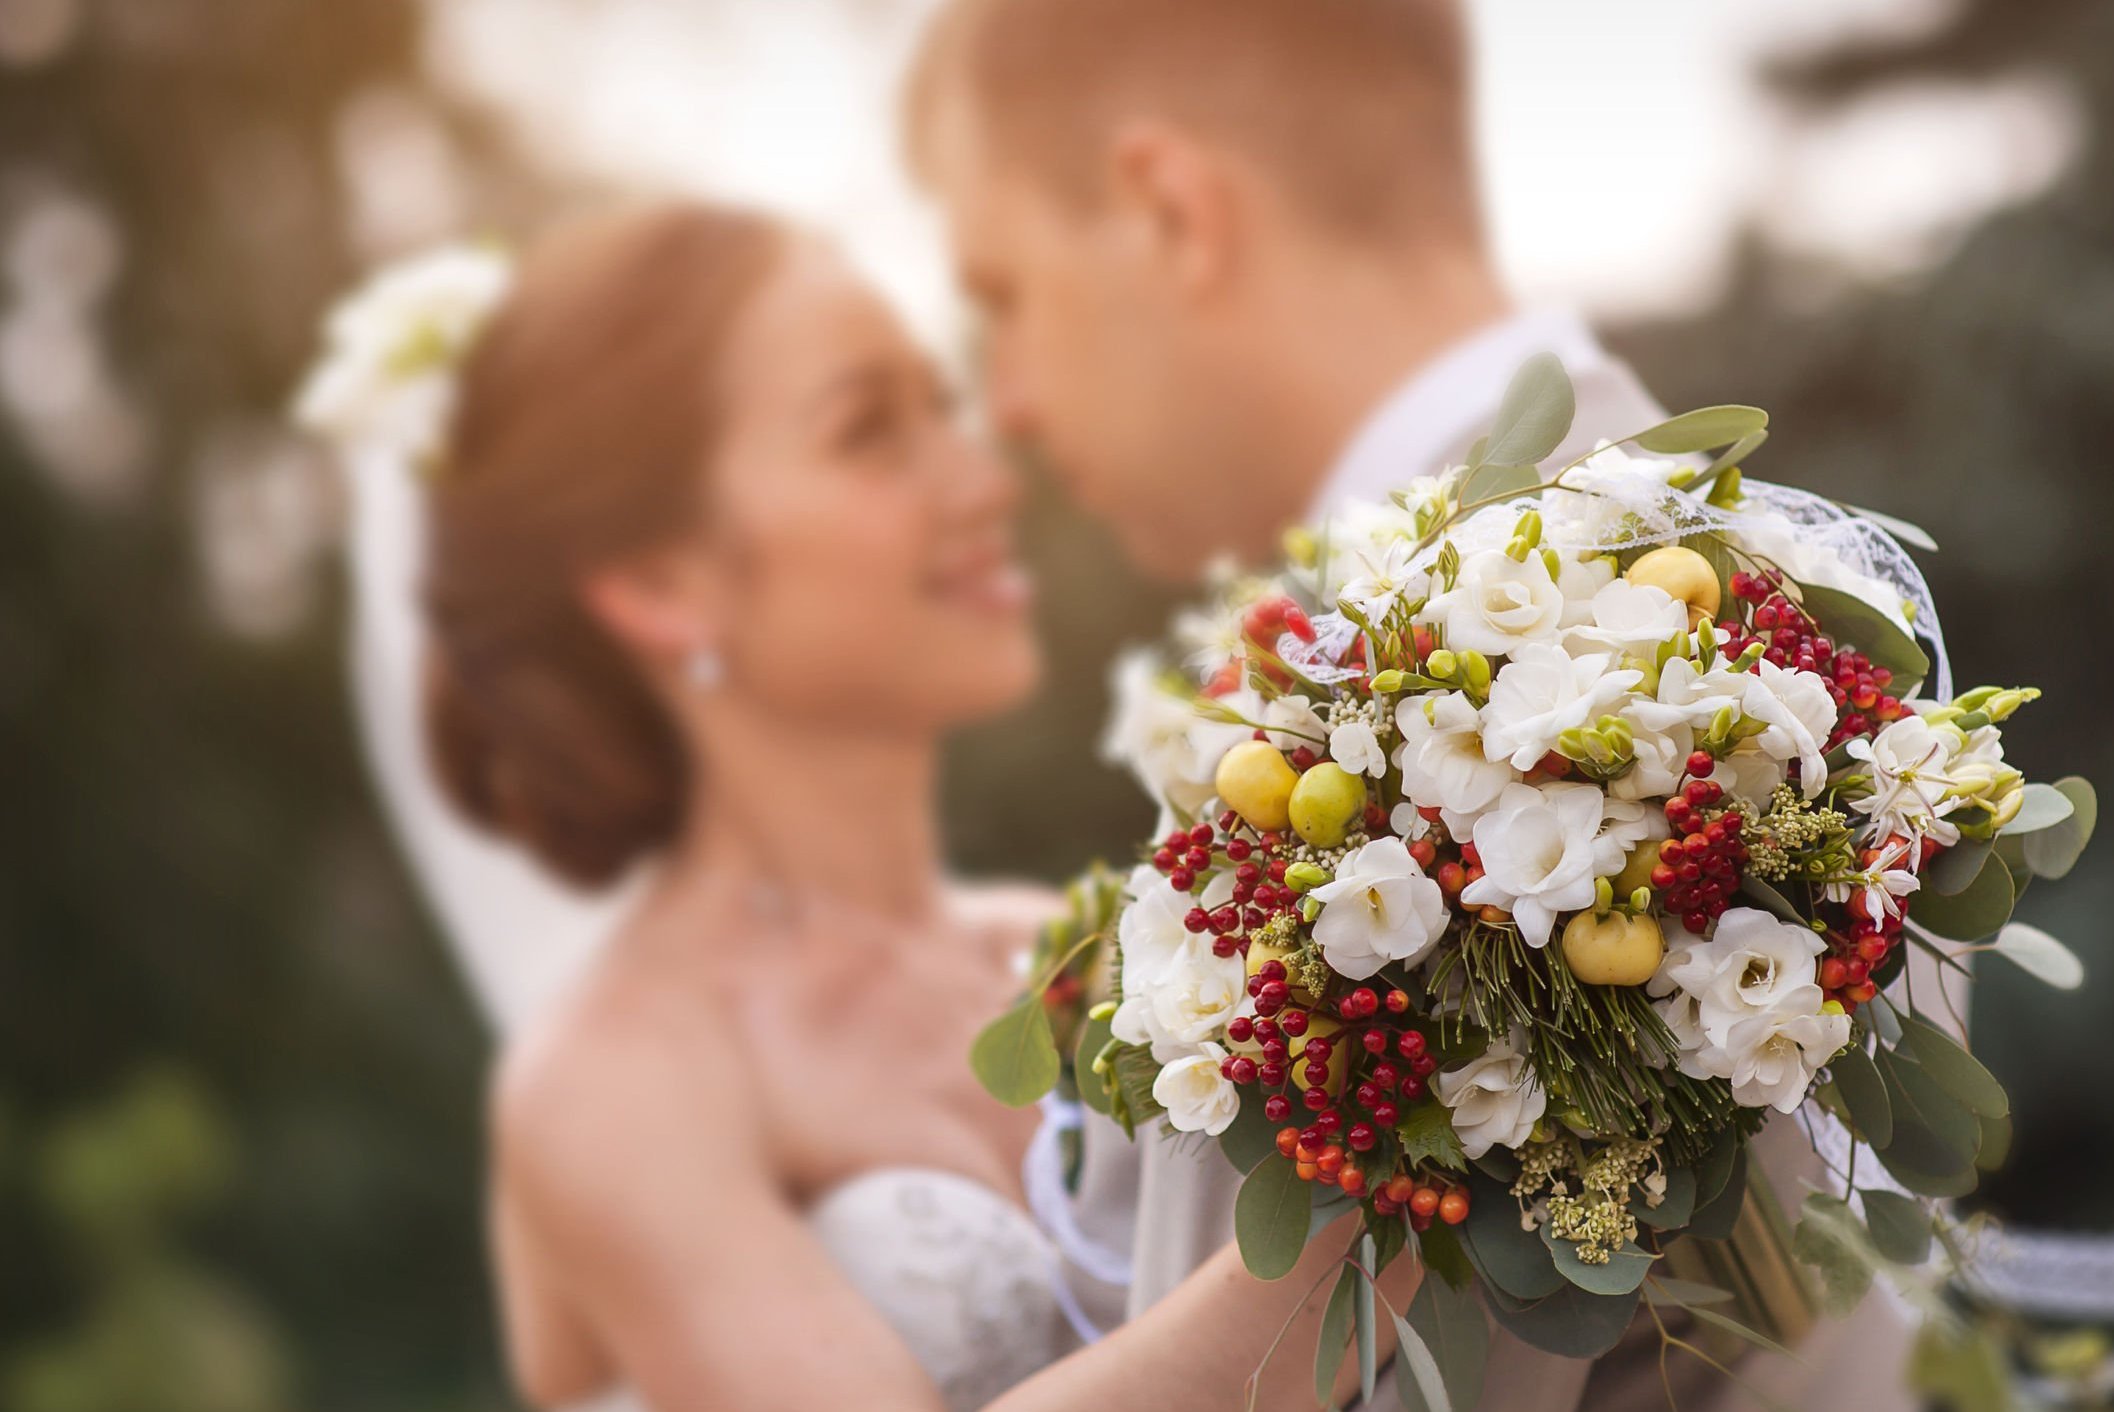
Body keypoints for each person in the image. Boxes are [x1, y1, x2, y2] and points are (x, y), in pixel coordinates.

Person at [905, 3, 1947, 1408]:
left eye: (1001, 294)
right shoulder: (1725, 601)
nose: (1006, 403)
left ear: (1169, 211)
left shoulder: (1553, 677)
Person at [320, 202, 1410, 1412]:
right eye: (870, 431)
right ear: (658, 583)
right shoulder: (614, 1080)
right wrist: (1405, 1192)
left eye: (941, 405)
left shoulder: (1072, 941)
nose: (985, 478)